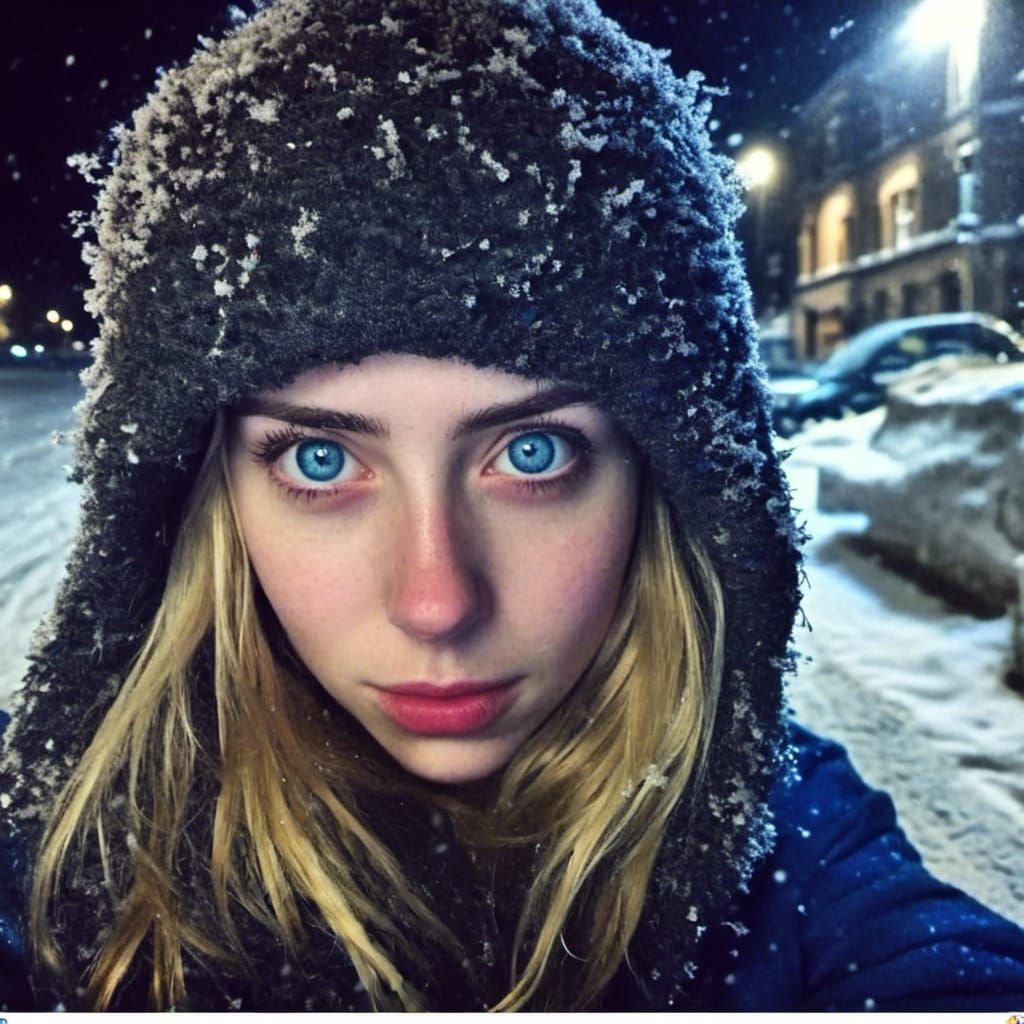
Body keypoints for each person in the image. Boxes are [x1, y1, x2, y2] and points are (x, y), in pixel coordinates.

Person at [1, 0, 1023, 1011]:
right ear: (201, 491)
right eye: (319, 460)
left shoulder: (789, 848)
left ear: (671, 482)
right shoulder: (49, 850)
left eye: (532, 452)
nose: (437, 601)